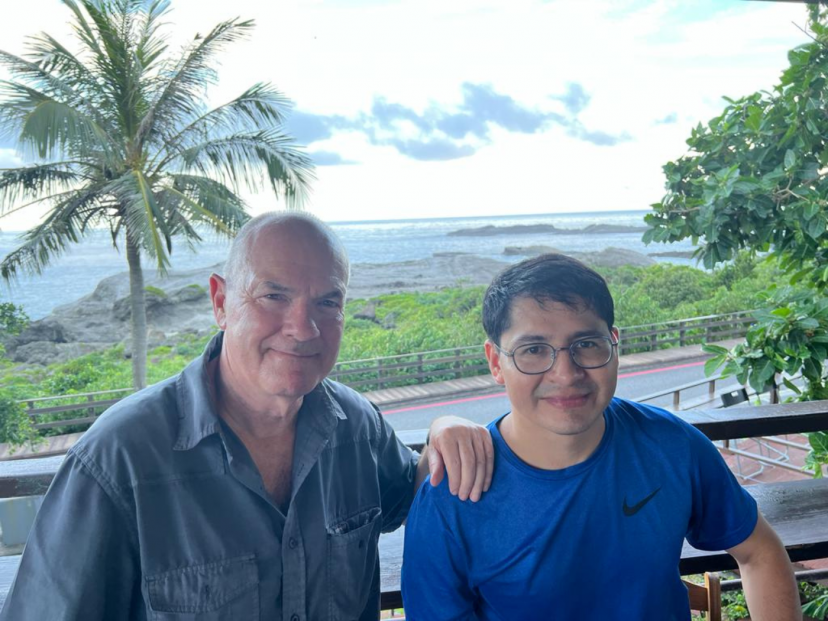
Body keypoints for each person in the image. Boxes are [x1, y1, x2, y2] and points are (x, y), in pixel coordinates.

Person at [0, 212, 494, 621]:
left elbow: (416, 494)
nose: (303, 328)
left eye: (328, 302)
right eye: (273, 296)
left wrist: (442, 431)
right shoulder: (118, 459)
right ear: (221, 301)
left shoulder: (357, 428)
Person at [401, 253, 801, 621]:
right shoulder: (452, 491)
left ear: (614, 343)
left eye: (586, 344)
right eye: (534, 349)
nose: (566, 374)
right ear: (495, 362)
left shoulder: (672, 445)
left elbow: (759, 552)